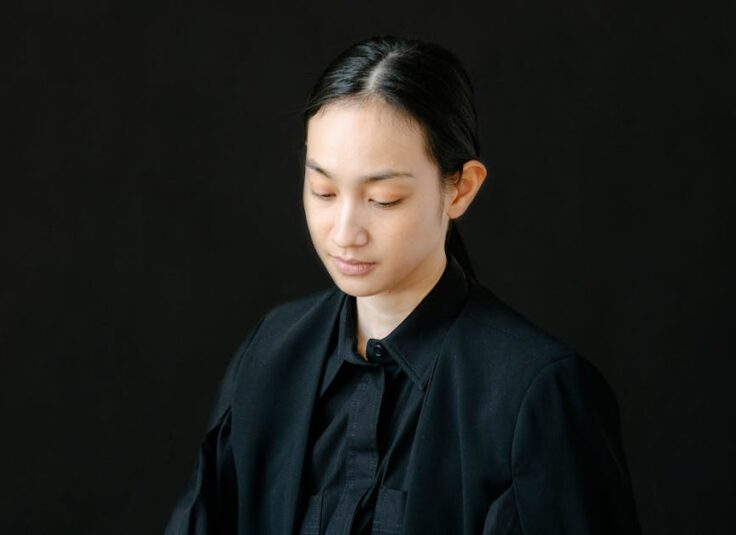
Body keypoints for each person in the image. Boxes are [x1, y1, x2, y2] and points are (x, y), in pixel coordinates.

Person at [163, 35, 642, 534]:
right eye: (322, 191)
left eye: (384, 199)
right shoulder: (271, 353)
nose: (344, 232)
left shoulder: (537, 394)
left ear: (461, 188)